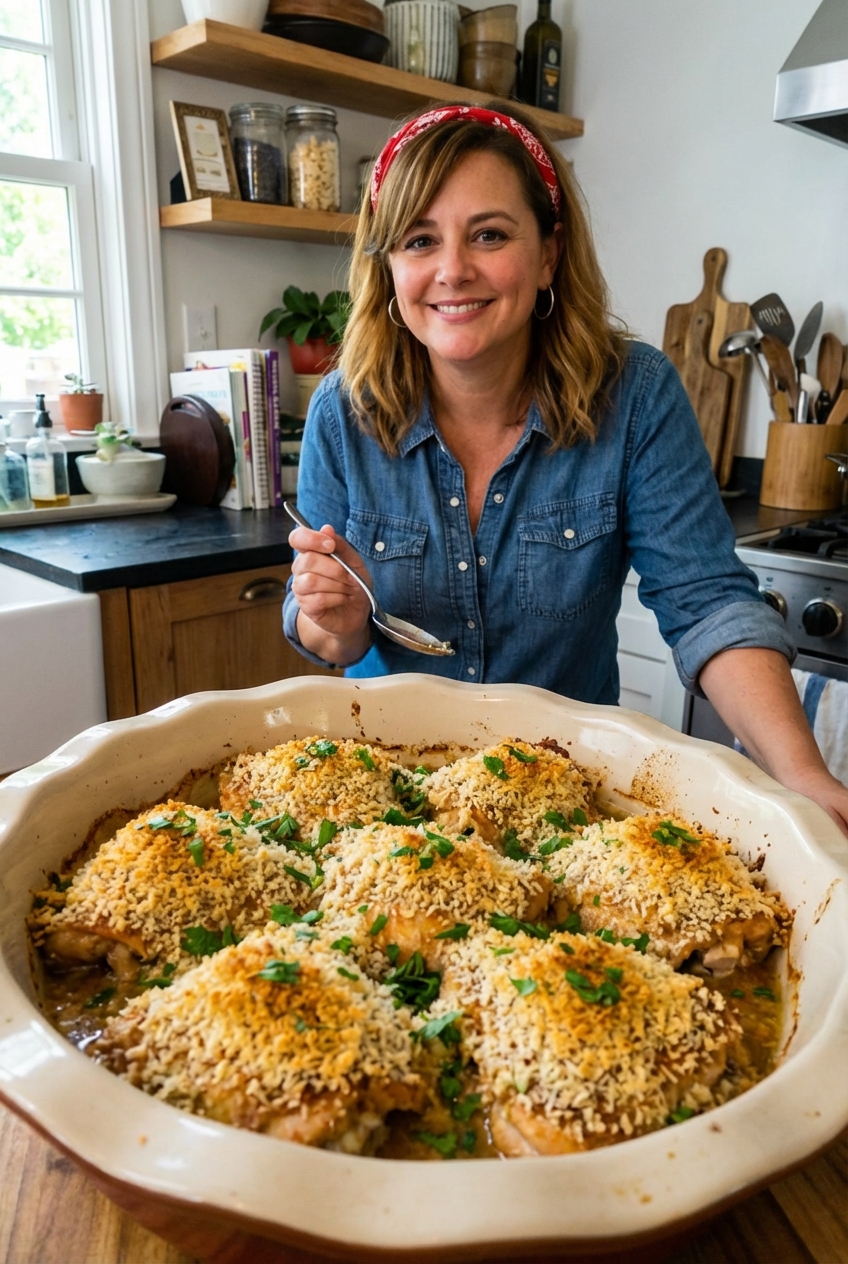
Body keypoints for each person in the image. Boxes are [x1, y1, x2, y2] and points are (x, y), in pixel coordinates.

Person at [283, 103, 848, 835]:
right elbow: (320, 628)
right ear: (388, 266)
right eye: (420, 240)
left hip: (566, 802)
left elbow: (707, 603)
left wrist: (800, 773)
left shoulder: (634, 395)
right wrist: (335, 620)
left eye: (489, 234)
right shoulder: (342, 410)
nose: (453, 270)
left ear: (549, 252)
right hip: (388, 806)